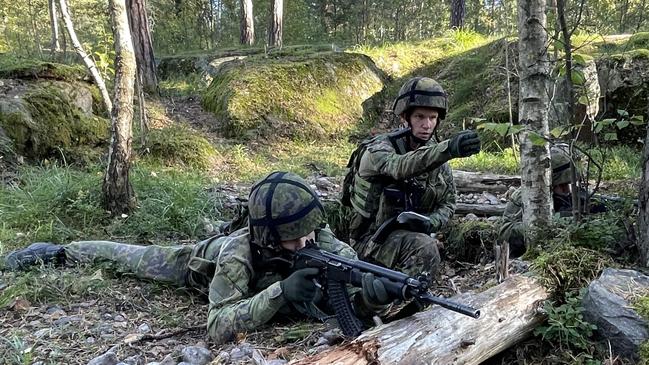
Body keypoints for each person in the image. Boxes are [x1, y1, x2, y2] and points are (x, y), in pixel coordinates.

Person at [3, 171, 391, 344]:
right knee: (127, 257)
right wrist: (281, 293)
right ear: (270, 236)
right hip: (197, 263)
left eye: (309, 230)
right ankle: (60, 251)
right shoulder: (238, 253)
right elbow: (217, 327)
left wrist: (373, 294)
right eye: (292, 237)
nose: (306, 241)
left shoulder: (324, 243)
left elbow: (349, 292)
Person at [344, 76, 481, 280]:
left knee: (424, 245)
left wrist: (429, 222)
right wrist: (448, 149)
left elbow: (449, 203)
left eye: (433, 118)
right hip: (368, 243)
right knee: (425, 248)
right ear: (404, 117)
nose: (427, 125)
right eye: (419, 117)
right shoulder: (378, 149)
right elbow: (399, 166)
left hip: (407, 239)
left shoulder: (435, 157)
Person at [498, 146, 609, 257]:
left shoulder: (576, 192)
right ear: (549, 183)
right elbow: (505, 233)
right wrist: (554, 220)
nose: (567, 190)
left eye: (569, 183)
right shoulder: (527, 195)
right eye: (561, 185)